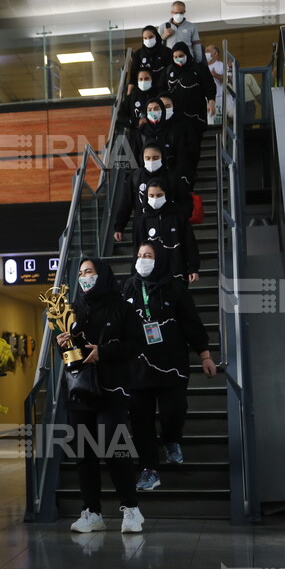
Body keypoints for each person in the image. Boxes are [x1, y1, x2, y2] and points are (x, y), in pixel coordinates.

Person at [56, 258, 144, 534]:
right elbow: (71, 356)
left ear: (102, 274)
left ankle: (131, 508)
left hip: (111, 388)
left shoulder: (122, 308)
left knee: (114, 446)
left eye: (89, 272)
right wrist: (64, 344)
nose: (84, 277)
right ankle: (91, 511)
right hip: (80, 389)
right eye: (81, 273)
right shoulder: (74, 310)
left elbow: (136, 345)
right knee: (83, 452)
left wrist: (104, 351)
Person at [122, 241, 216, 491]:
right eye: (140, 255)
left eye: (149, 255)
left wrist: (205, 355)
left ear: (160, 259)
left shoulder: (175, 287)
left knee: (173, 409)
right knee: (140, 422)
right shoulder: (129, 286)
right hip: (138, 367)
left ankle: (172, 438)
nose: (143, 259)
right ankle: (149, 469)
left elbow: (191, 323)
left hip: (171, 364)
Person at [113, 142, 191, 247]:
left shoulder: (172, 177)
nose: (151, 161)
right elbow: (126, 202)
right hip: (142, 227)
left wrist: (180, 221)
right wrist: (119, 226)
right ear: (142, 158)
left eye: (155, 158)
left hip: (169, 226)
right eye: (148, 158)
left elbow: (184, 200)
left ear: (162, 157)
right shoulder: (136, 177)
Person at [136, 179, 199, 284]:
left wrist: (193, 267)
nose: (155, 199)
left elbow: (189, 242)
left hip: (177, 271)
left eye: (159, 195)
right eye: (151, 196)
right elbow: (138, 247)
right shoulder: (143, 220)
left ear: (167, 195)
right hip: (152, 274)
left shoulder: (178, 216)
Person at [166, 42, 215, 141]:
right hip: (176, 116)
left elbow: (209, 86)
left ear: (187, 54)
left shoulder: (199, 68)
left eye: (181, 56)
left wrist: (211, 102)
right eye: (175, 56)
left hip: (196, 114)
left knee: (194, 145)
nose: (178, 58)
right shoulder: (169, 70)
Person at [127, 26, 172, 95]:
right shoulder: (138, 54)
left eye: (151, 37)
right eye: (145, 38)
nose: (148, 40)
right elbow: (133, 77)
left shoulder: (167, 52)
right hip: (143, 92)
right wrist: (128, 95)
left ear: (156, 36)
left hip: (163, 90)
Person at [206, 45, 225, 123]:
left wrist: (215, 75)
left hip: (218, 98)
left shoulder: (222, 65)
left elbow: (228, 80)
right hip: (206, 99)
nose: (205, 52)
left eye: (208, 51)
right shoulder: (202, 66)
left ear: (215, 53)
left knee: (217, 122)